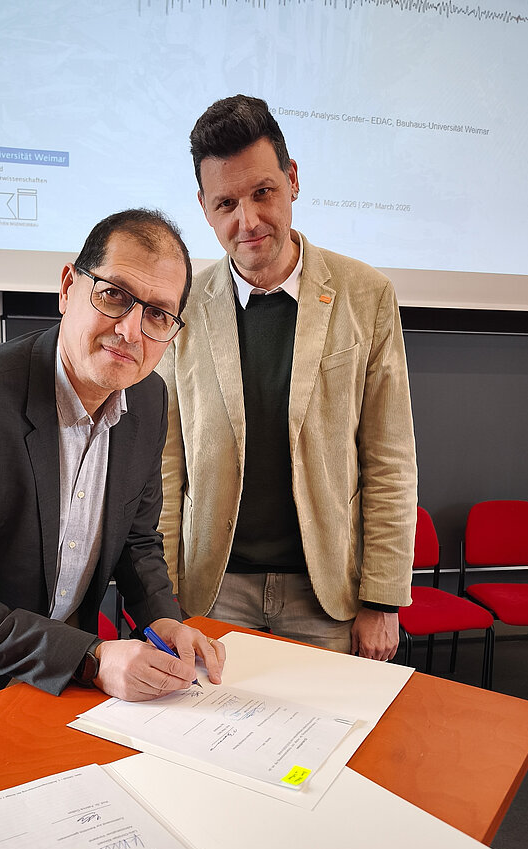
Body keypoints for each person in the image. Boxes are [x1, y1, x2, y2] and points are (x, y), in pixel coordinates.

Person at [0, 208, 224, 738]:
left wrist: (162, 619)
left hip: (54, 678)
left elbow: (138, 542)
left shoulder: (148, 400)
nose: (130, 331)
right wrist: (94, 658)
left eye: (158, 314)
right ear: (68, 287)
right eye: (114, 295)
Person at [157, 96, 417, 660]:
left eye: (262, 192)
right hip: (214, 590)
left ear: (292, 179)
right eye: (226, 203)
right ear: (204, 208)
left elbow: (389, 459)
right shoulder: (182, 304)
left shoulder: (366, 295)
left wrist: (382, 600)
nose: (247, 221)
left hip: (325, 596)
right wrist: (163, 594)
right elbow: (167, 461)